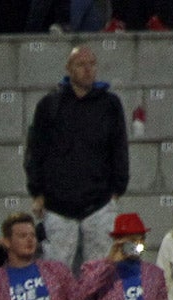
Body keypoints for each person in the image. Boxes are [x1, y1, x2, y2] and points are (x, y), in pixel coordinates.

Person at [24, 46, 127, 275]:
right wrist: (37, 191)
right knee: (56, 273)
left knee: (100, 273)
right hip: (57, 204)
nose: (88, 70)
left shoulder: (110, 104)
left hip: (99, 202)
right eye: (81, 65)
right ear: (68, 69)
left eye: (92, 64)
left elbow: (119, 148)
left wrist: (117, 189)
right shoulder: (49, 105)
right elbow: (35, 151)